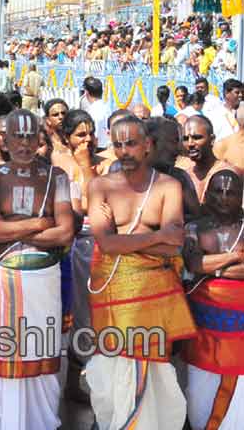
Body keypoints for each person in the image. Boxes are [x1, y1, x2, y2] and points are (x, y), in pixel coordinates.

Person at [85, 115, 196, 430]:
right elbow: (105, 244)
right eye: (117, 145)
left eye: (131, 143)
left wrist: (126, 242)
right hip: (112, 296)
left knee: (153, 377)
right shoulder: (100, 186)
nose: (124, 151)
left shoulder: (167, 186)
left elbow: (174, 245)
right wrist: (157, 236)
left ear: (147, 145)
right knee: (110, 377)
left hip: (153, 298)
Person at [0, 109, 75, 430]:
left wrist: (8, 225)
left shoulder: (56, 177)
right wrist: (37, 223)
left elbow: (64, 233)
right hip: (1, 280)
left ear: (40, 139)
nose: (23, 143)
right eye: (16, 135)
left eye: (30, 135)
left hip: (43, 282)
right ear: (3, 140)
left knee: (42, 364)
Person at [182, 170, 244, 430]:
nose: (224, 198)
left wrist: (210, 267)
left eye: (231, 193)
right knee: (199, 400)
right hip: (204, 333)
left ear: (241, 197)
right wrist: (232, 259)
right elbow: (193, 263)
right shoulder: (193, 228)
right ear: (206, 195)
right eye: (218, 191)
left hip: (239, 331)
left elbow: (202, 265)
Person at [179, 116, 236, 202]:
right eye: (186, 139)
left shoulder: (228, 175)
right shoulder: (183, 174)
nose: (190, 143)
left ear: (212, 139)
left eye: (197, 137)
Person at [82, 77, 111, 150]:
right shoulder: (107, 108)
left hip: (98, 149)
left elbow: (95, 136)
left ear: (86, 92)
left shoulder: (93, 111)